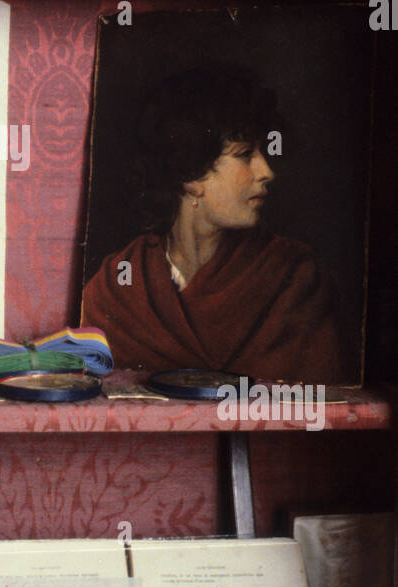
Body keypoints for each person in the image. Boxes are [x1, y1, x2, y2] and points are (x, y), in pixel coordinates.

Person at [82, 65, 352, 383]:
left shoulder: (295, 274)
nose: (266, 171)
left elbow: (322, 399)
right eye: (245, 155)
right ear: (191, 177)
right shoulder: (114, 286)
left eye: (263, 153)